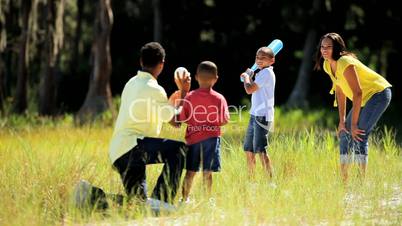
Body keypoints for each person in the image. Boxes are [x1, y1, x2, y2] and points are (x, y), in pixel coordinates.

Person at [74, 42, 191, 210]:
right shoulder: (154, 89)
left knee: (139, 205)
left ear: (141, 62)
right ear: (162, 64)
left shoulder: (131, 84)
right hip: (134, 147)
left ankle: (91, 196)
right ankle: (163, 201)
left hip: (119, 151)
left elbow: (164, 111)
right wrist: (185, 91)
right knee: (180, 150)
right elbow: (177, 121)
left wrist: (175, 99)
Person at [314, 32, 392, 183]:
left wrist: (354, 124)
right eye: (322, 47)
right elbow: (340, 91)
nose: (324, 50)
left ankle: (360, 182)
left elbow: (357, 93)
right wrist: (342, 121)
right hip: (364, 99)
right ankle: (344, 180)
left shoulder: (344, 62)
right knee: (344, 134)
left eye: (328, 47)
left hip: (378, 94)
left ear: (336, 48)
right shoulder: (327, 65)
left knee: (358, 135)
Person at [176, 61, 230, 202]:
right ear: (216, 78)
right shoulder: (219, 98)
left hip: (193, 140)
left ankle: (184, 199)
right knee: (208, 172)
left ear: (196, 77)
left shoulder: (190, 97)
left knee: (190, 172)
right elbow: (225, 120)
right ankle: (207, 200)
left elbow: (183, 118)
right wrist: (211, 121)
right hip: (211, 140)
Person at [240, 46, 275, 178]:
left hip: (262, 117)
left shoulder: (267, 73)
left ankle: (270, 181)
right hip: (254, 115)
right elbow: (255, 88)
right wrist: (250, 77)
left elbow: (249, 89)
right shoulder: (261, 73)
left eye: (263, 58)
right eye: (257, 57)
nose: (259, 60)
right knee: (249, 149)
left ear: (272, 60)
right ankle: (251, 180)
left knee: (261, 150)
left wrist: (246, 77)